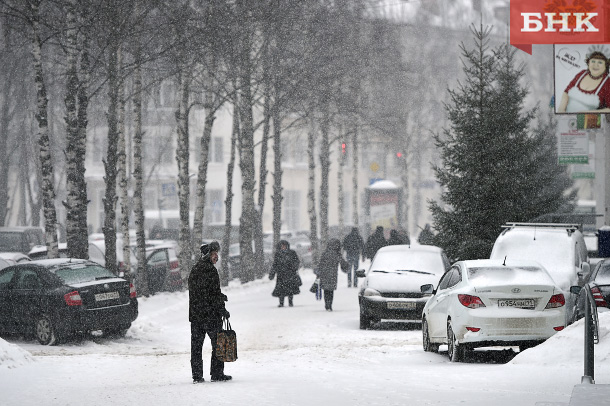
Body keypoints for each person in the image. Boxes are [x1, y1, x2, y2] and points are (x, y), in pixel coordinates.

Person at [188, 241, 232, 384]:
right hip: (210, 315)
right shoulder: (210, 271)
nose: (216, 257)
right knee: (218, 343)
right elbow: (212, 294)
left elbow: (201, 292)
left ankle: (197, 375)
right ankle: (217, 373)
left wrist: (220, 297)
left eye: (216, 254)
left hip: (196, 315)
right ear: (207, 255)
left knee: (196, 346)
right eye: (213, 254)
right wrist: (222, 309)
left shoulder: (195, 269)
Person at [317, 239, 348, 311]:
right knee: (331, 291)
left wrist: (319, 272)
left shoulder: (325, 253)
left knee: (326, 290)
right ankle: (329, 305)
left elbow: (320, 263)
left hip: (324, 274)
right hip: (333, 275)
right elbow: (343, 264)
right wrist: (346, 266)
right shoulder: (337, 254)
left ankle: (326, 304)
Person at [269, 240, 301, 307]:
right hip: (281, 275)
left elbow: (297, 261)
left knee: (290, 289)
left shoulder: (292, 253)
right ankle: (281, 303)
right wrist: (272, 273)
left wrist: (294, 267)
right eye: (282, 246)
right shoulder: (278, 254)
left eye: (284, 246)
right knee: (281, 290)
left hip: (290, 274)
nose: (283, 247)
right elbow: (275, 264)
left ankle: (290, 302)